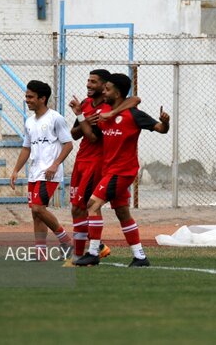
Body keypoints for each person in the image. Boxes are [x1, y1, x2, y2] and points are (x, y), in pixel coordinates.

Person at [69, 73, 169, 267]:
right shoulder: (103, 115)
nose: (103, 92)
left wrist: (165, 122)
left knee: (92, 205)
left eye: (107, 89)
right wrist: (81, 115)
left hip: (122, 171)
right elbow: (89, 136)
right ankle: (140, 257)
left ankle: (93, 252)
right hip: (109, 170)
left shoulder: (134, 114)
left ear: (117, 92)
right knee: (122, 213)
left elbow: (160, 128)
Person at [68, 69, 141, 264]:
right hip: (81, 161)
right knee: (84, 208)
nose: (88, 85)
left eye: (94, 82)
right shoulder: (85, 104)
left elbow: (92, 137)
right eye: (88, 81)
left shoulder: (107, 109)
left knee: (84, 207)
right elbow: (75, 134)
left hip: (97, 164)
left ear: (105, 86)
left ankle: (85, 253)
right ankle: (98, 248)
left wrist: (84, 119)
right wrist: (82, 117)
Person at [10, 80, 74, 261]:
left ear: (42, 98)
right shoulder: (29, 121)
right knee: (35, 212)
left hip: (49, 173)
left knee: (39, 208)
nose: (27, 100)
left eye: (30, 97)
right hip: (34, 173)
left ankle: (66, 241)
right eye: (26, 96)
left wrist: (55, 165)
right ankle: (40, 253)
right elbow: (26, 148)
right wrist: (16, 170)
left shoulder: (56, 118)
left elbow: (68, 145)